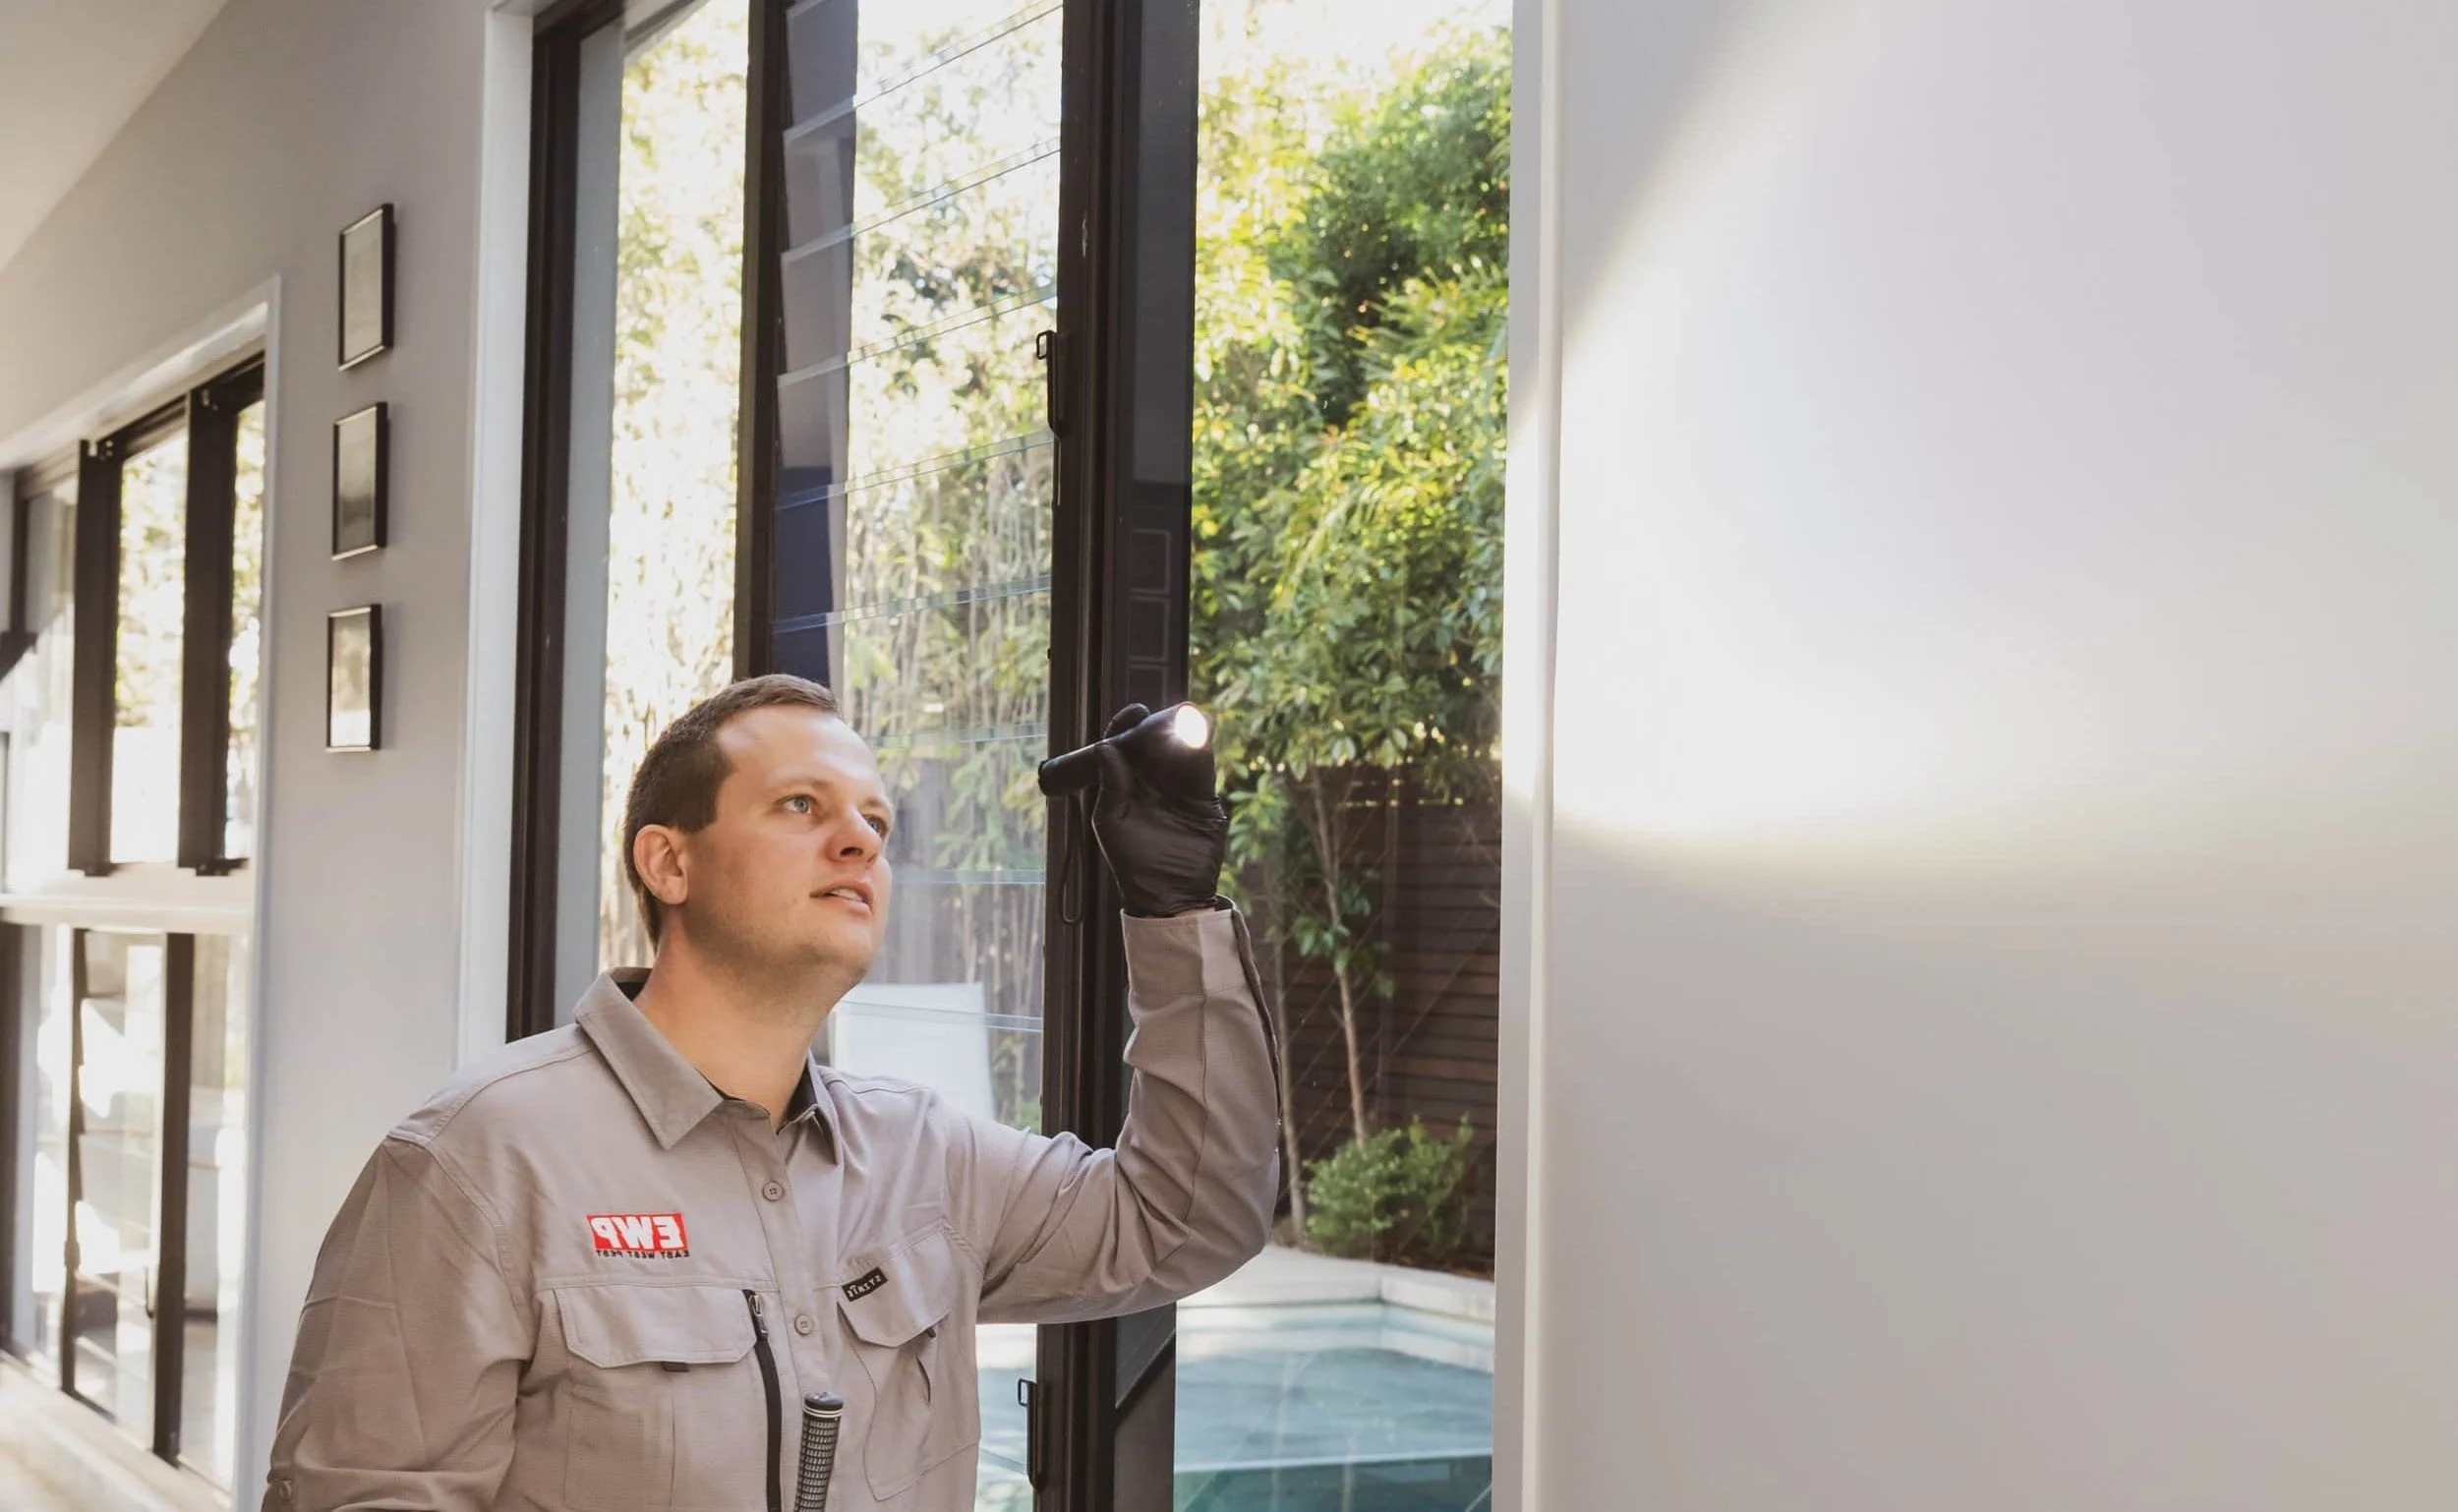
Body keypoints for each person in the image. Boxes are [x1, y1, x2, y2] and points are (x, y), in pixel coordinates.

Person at [262, 675, 1279, 1512]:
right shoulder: (477, 1159)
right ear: (668, 861)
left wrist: (1174, 912)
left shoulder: (925, 1156)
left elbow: (1185, 1215)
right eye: (802, 805)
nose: (860, 842)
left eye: (874, 820)